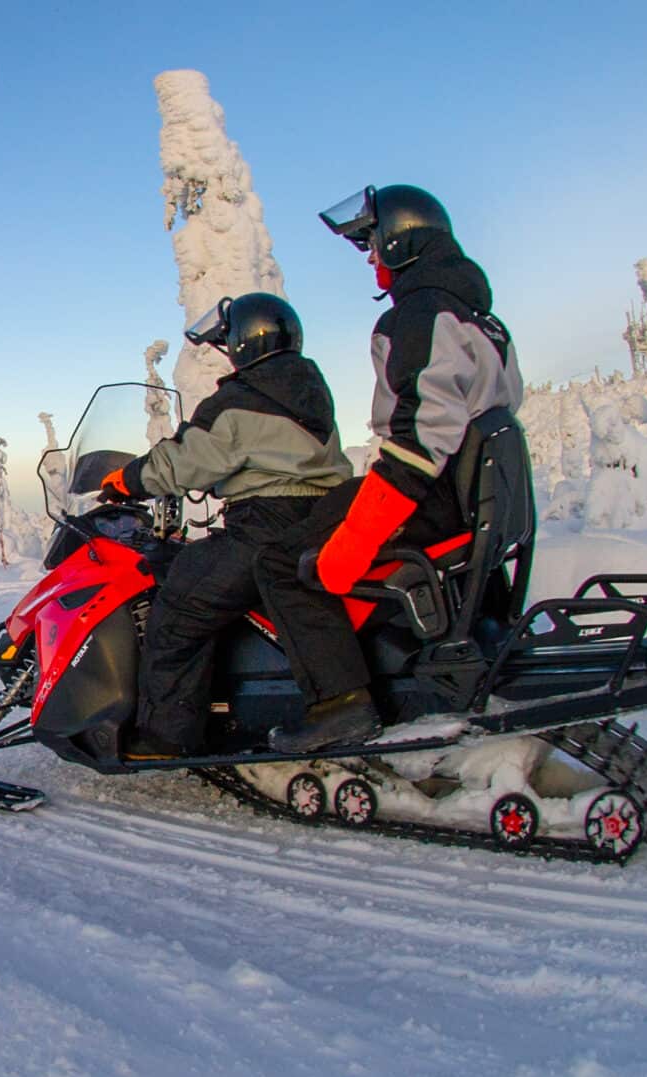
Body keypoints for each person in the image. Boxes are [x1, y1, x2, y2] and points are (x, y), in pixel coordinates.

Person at [260, 184, 525, 753]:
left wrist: (357, 537)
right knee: (320, 517)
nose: (372, 258)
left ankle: (340, 704)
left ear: (403, 241)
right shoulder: (479, 316)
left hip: (431, 493)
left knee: (283, 561)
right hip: (463, 492)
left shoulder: (421, 313)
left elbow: (421, 439)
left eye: (374, 245)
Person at [98, 293, 352, 759]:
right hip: (321, 518)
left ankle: (165, 737)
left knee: (178, 608)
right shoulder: (306, 387)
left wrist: (127, 480)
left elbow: (188, 459)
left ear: (243, 343)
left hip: (266, 522)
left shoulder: (242, 396)